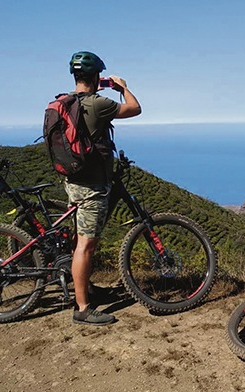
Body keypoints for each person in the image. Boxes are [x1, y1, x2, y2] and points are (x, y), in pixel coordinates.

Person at [64, 51, 142, 325]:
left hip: (73, 180)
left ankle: (86, 287)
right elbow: (135, 108)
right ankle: (82, 308)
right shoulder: (97, 104)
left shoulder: (66, 102)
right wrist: (122, 88)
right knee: (86, 245)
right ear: (96, 76)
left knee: (80, 240)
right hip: (92, 186)